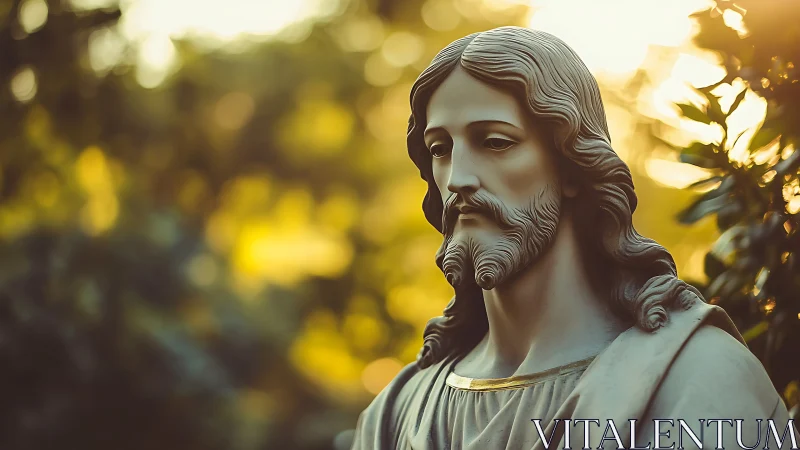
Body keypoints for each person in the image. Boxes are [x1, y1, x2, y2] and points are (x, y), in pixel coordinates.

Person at [350, 27, 795, 450]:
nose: (458, 179)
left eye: (496, 142)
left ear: (571, 166)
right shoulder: (397, 412)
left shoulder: (696, 377)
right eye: (440, 150)